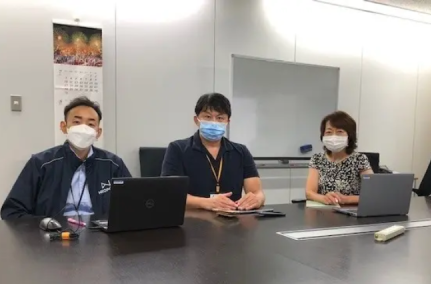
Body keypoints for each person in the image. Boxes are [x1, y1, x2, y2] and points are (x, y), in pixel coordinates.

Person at [1, 97, 131, 220]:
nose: (84, 128)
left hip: (101, 236)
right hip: (53, 236)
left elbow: (134, 206)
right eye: (77, 122)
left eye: (91, 124)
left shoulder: (113, 164)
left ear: (98, 132)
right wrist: (45, 225)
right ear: (64, 127)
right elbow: (12, 212)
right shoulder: (42, 163)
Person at [161, 93, 265, 211]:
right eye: (208, 117)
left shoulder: (241, 151)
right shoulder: (177, 149)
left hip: (233, 221)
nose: (214, 122)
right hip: (192, 222)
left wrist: (256, 199)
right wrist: (206, 203)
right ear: (197, 120)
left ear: (227, 122)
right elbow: (171, 194)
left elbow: (257, 192)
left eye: (220, 118)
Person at [305, 111, 373, 205]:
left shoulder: (360, 159)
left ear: (349, 136)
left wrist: (346, 199)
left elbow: (372, 194)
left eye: (339, 132)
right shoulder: (317, 159)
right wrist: (324, 198)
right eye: (328, 132)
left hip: (351, 212)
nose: (333, 136)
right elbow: (309, 193)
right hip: (323, 211)